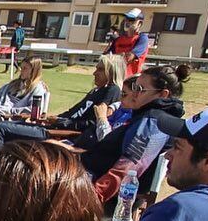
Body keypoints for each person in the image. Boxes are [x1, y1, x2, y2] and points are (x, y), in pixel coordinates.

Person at [77, 64, 190, 203]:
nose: (133, 93)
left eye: (140, 89)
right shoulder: (147, 116)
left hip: (97, 189)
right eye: (134, 87)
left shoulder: (153, 123)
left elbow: (128, 169)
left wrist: (92, 199)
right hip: (89, 175)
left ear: (163, 94)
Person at [0, 54, 126, 157]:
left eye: (100, 69)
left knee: (2, 128)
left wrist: (60, 122)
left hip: (61, 135)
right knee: (13, 126)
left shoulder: (112, 90)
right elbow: (73, 112)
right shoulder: (96, 91)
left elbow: (93, 124)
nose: (95, 73)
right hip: (55, 126)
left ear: (111, 73)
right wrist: (51, 118)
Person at [105, 8, 150, 77]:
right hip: (113, 77)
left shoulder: (142, 38)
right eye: (126, 19)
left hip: (130, 80)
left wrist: (112, 57)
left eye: (131, 20)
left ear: (139, 24)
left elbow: (128, 58)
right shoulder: (118, 39)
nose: (127, 22)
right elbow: (105, 57)